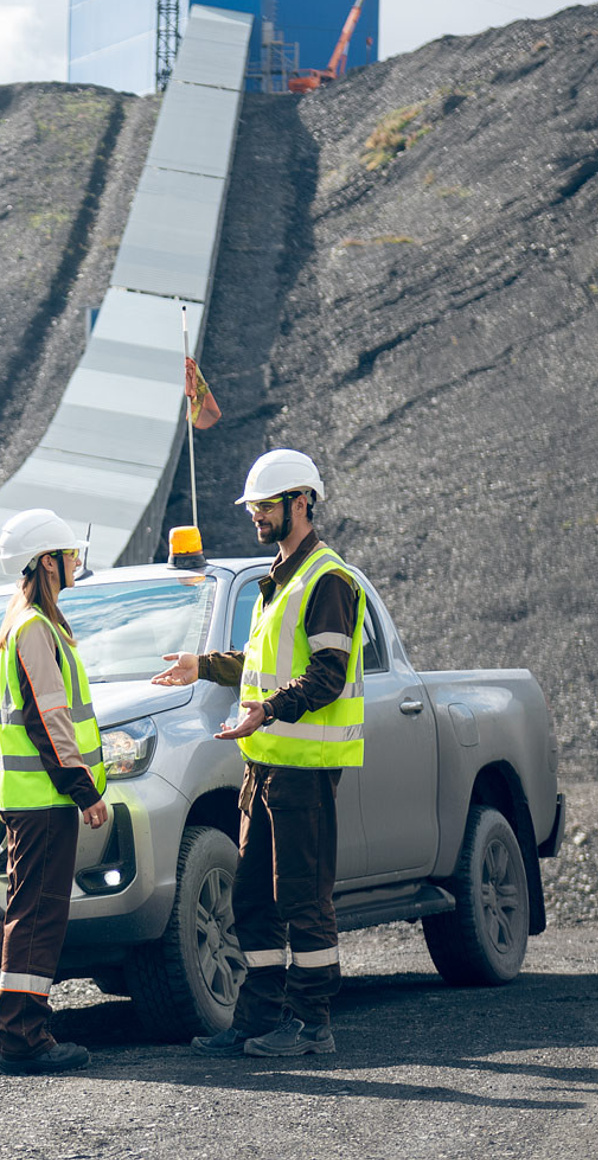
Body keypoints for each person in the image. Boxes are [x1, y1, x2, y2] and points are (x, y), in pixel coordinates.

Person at [151, 449, 366, 1058]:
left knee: (302, 899)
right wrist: (205, 664)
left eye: (266, 506)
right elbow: (264, 663)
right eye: (254, 507)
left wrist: (268, 710)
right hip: (266, 769)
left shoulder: (326, 579)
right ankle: (258, 1019)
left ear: (302, 503)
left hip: (305, 771)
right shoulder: (280, 579)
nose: (256, 516)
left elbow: (325, 675)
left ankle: (312, 1024)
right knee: (253, 898)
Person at [0, 508, 111, 1075]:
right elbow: (49, 716)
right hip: (43, 800)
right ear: (45, 563)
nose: (74, 564)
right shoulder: (35, 628)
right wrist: (83, 790)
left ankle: (21, 1029)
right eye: (67, 555)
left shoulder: (30, 623)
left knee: (30, 911)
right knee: (37, 915)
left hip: (35, 799)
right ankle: (23, 1037)